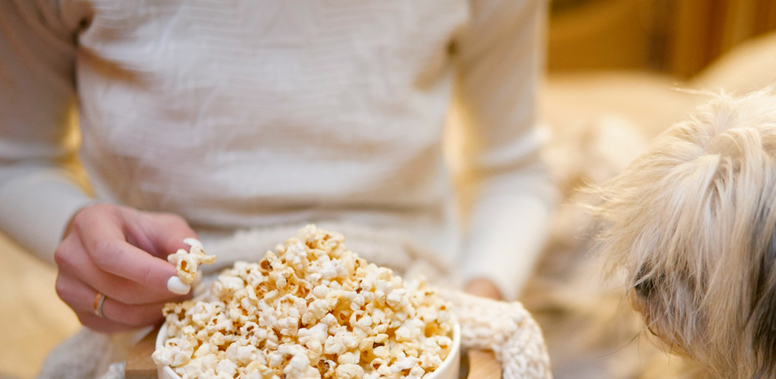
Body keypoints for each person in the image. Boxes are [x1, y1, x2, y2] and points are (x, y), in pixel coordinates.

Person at [0, 0, 556, 334]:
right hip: (157, 317)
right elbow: (17, 160)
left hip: (417, 303)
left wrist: (480, 298)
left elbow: (515, 171)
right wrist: (79, 233)